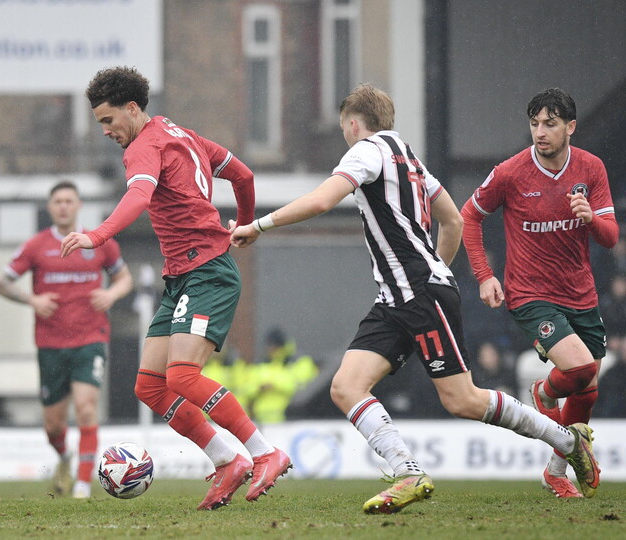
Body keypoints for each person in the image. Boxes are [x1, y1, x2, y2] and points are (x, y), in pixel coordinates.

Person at [230, 83, 599, 514]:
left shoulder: (365, 150)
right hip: (399, 297)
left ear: (352, 123)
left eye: (345, 128)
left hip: (418, 293)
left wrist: (259, 226)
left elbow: (322, 200)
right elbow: (453, 221)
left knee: (462, 399)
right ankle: (408, 472)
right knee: (346, 386)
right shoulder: (408, 156)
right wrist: (437, 270)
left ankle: (566, 440)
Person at [61, 66, 292, 510]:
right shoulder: (180, 134)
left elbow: (138, 197)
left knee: (182, 376)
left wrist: (97, 235)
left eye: (109, 120)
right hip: (183, 276)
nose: (106, 131)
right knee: (150, 385)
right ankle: (227, 460)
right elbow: (241, 175)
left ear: (132, 108)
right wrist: (244, 224)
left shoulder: (144, 146)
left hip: (207, 271)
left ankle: (265, 452)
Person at [460, 88, 618, 499]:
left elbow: (610, 237)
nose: (540, 132)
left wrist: (590, 219)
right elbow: (469, 215)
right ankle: (544, 391)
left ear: (571, 127)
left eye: (550, 124)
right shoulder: (511, 172)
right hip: (529, 293)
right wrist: (484, 275)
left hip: (580, 293)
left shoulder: (591, 168)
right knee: (581, 370)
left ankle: (556, 470)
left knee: (589, 387)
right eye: (534, 123)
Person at [0, 180, 133, 499]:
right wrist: (33, 300)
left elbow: (125, 278)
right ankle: (65, 457)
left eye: (69, 200)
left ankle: (83, 483)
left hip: (91, 338)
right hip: (51, 343)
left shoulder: (99, 242)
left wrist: (111, 293)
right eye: (58, 201)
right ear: (50, 208)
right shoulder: (36, 246)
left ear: (79, 205)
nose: (63, 206)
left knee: (86, 407)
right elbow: (2, 283)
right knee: (54, 426)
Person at [243, 328, 318, 424]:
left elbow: (301, 387)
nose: (271, 350)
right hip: (262, 420)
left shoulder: (298, 362)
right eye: (269, 346)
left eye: (274, 346)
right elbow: (246, 389)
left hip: (290, 418)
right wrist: (259, 388)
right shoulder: (260, 366)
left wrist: (274, 385)